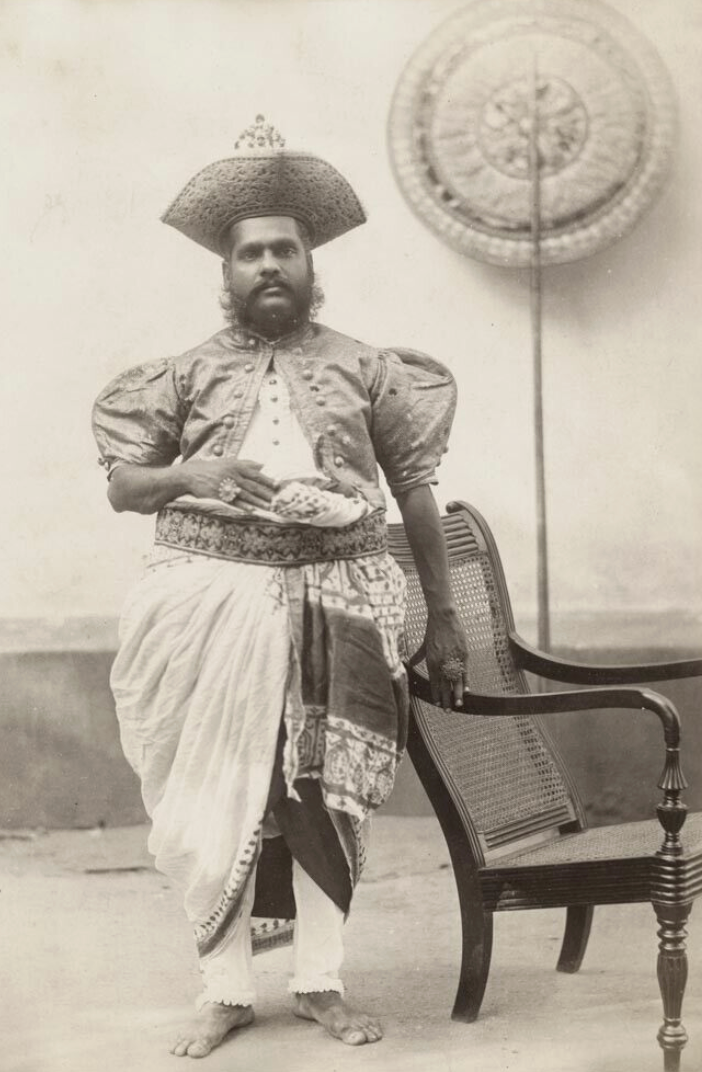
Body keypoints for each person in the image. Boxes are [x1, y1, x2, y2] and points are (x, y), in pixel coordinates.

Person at [92, 116, 468, 1059]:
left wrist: (445, 617)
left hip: (339, 593)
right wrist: (193, 473)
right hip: (205, 599)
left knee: (324, 793)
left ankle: (319, 982)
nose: (269, 266)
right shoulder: (182, 374)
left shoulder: (368, 368)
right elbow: (124, 487)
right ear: (226, 271)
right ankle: (223, 991)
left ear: (310, 265)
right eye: (251, 253)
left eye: (284, 251)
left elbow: (417, 495)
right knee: (212, 791)